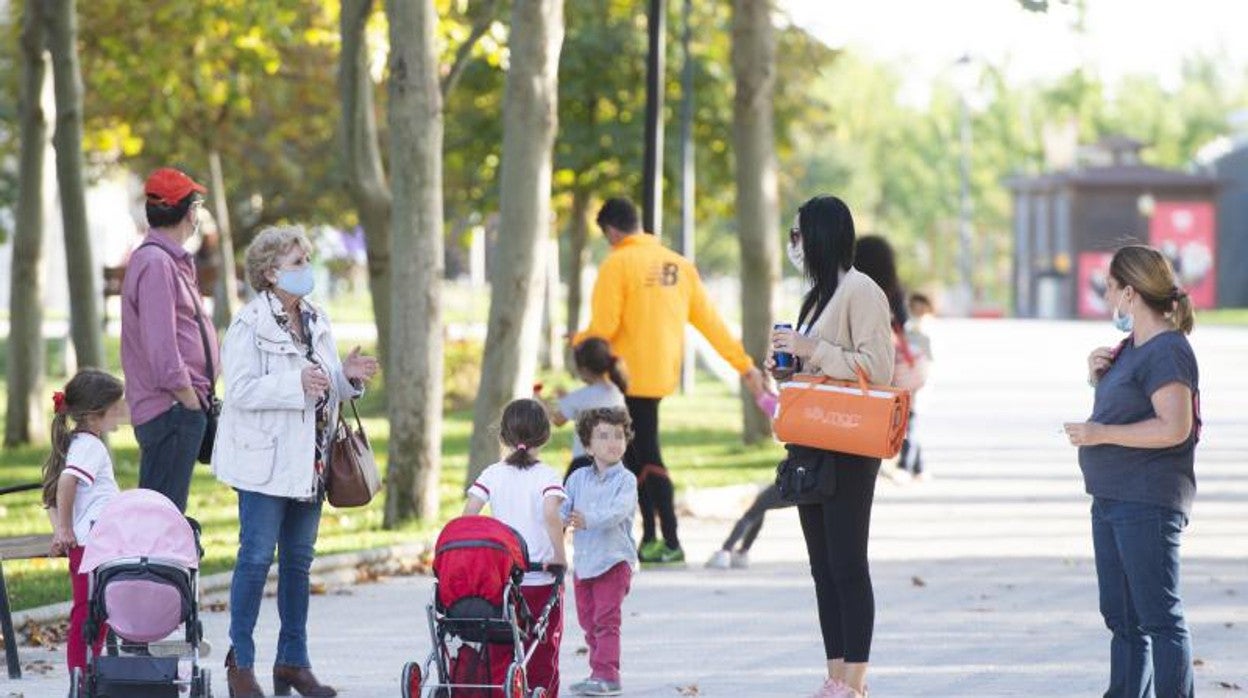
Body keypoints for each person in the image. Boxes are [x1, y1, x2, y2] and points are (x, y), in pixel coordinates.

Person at [213, 226, 380, 698]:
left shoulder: (316, 317)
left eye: (307, 258)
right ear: (271, 272)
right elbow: (239, 391)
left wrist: (345, 378)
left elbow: (324, 384)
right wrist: (296, 386)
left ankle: (292, 661)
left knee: (299, 564)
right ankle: (240, 663)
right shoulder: (249, 324)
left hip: (311, 461)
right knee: (254, 558)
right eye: (299, 261)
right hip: (265, 464)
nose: (308, 267)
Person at [574, 197, 766, 565]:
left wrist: (579, 343)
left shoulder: (617, 263)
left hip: (625, 377)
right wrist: (743, 365)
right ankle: (650, 538)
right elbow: (712, 323)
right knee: (635, 453)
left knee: (643, 455)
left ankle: (668, 540)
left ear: (612, 231)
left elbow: (605, 327)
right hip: (661, 375)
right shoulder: (679, 265)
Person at [768, 195, 893, 698]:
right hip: (814, 440)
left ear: (819, 236)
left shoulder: (861, 291)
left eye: (798, 235)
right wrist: (789, 365)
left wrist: (810, 349)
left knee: (846, 563)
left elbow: (877, 368)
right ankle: (835, 675)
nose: (793, 245)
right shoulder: (818, 295)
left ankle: (856, 683)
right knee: (822, 568)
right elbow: (822, 364)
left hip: (850, 442)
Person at [1064, 244, 1200, 698]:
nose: (1106, 297)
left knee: (1159, 618)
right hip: (1112, 498)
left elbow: (1174, 427)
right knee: (1123, 620)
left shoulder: (1168, 351)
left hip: (1146, 501)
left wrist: (1099, 434)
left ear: (1131, 293)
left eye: (1109, 287)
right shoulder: (1130, 349)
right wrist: (1096, 376)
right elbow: (1129, 408)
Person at [121, 167, 218, 513]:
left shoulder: (166, 261)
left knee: (165, 515)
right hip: (172, 408)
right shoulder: (157, 264)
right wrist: (189, 399)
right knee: (160, 518)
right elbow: (162, 348)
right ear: (189, 212)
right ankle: (152, 571)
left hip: (179, 407)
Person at [465, 398, 569, 697]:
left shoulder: (492, 474)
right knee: (542, 647)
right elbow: (551, 514)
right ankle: (539, 691)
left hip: (504, 578)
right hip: (540, 577)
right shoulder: (547, 476)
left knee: (502, 643)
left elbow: (469, 515)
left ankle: (501, 690)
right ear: (545, 436)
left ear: (504, 435)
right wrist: (559, 557)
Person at [40, 369, 127, 675]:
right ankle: (82, 675)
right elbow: (66, 482)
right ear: (95, 414)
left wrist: (61, 531)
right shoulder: (90, 446)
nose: (123, 410)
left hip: (92, 545)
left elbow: (50, 497)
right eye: (118, 405)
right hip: (92, 546)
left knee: (94, 611)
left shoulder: (77, 442)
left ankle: (89, 673)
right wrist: (64, 530)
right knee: (88, 613)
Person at [562, 407, 638, 697]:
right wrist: (557, 518)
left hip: (613, 561)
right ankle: (597, 672)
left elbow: (617, 512)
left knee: (606, 620)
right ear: (587, 446)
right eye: (603, 436)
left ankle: (608, 675)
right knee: (589, 621)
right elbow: (562, 508)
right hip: (584, 564)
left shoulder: (626, 481)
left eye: (618, 436)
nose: (613, 442)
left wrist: (588, 519)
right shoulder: (578, 478)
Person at [853, 235, 928, 482]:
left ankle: (900, 460)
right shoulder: (893, 289)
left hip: (862, 364)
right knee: (907, 412)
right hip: (892, 361)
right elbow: (903, 322)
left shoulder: (853, 290)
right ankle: (912, 462)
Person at [543, 338, 628, 481]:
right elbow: (591, 404)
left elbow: (558, 420)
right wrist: (568, 399)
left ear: (584, 369)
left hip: (584, 463)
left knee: (570, 502)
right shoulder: (616, 392)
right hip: (615, 464)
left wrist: (542, 403)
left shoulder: (580, 397)